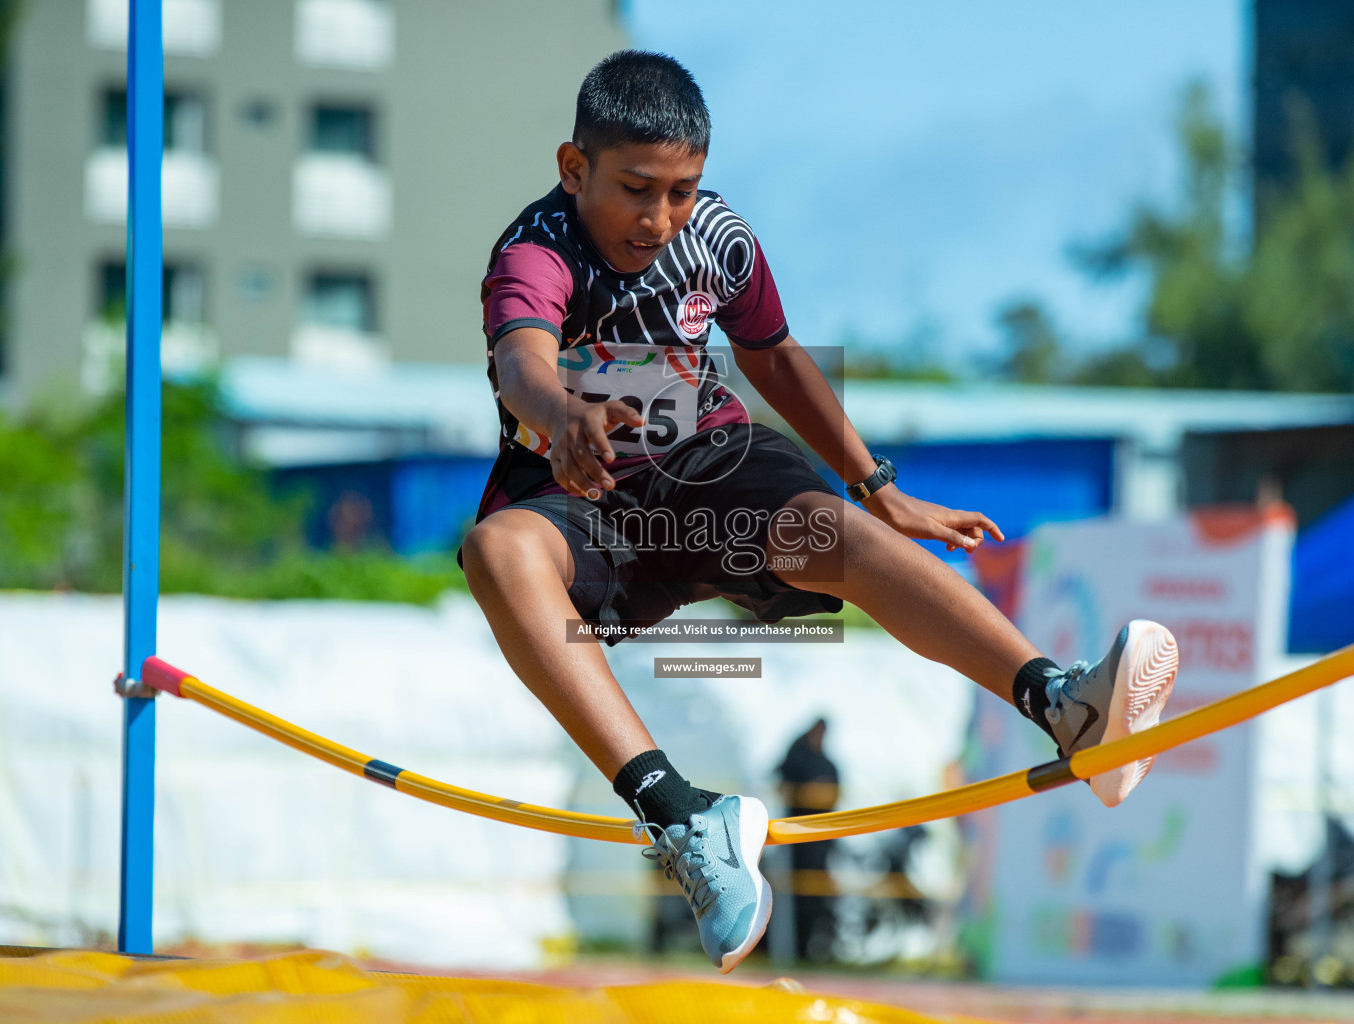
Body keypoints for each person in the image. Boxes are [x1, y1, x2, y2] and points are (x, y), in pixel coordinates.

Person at [456, 50, 1180, 974]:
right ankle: (682, 820)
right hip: (578, 490)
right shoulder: (536, 250)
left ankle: (1060, 702)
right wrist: (563, 416)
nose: (659, 218)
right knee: (495, 551)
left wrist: (881, 485)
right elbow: (522, 359)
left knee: (838, 533)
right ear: (574, 168)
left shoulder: (717, 238)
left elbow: (776, 358)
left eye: (682, 190)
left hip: (705, 462)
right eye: (637, 190)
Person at [777, 719, 841, 961]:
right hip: (797, 839)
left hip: (820, 840)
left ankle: (814, 948)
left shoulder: (826, 764)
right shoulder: (798, 758)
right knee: (796, 893)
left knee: (815, 893)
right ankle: (796, 948)